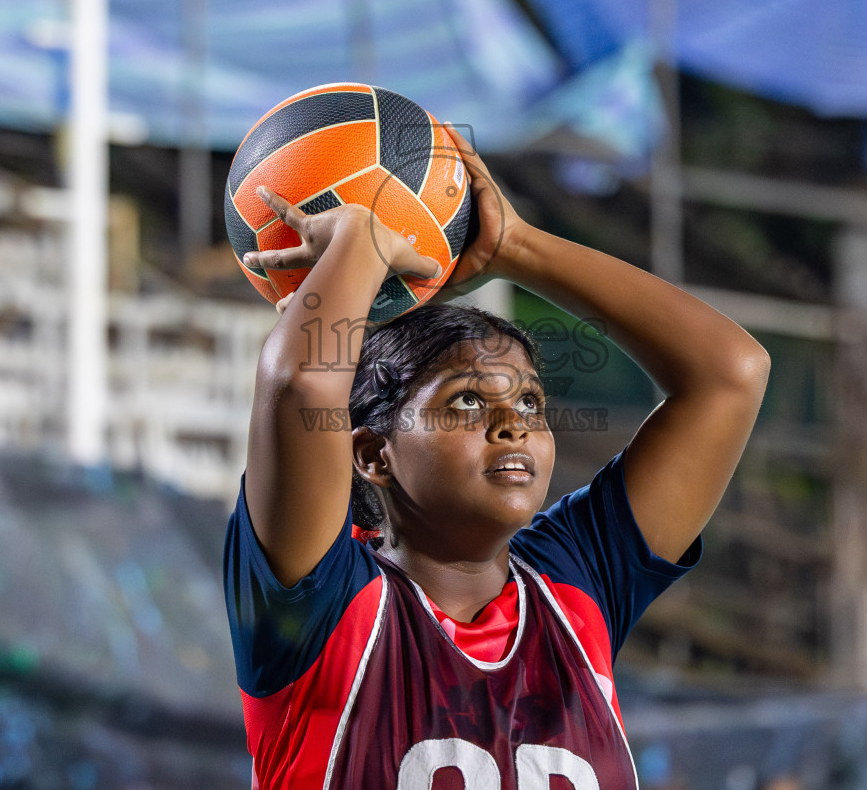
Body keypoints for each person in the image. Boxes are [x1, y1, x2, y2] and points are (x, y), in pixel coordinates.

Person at [225, 128, 770, 789]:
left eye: (532, 405)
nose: (514, 424)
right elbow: (301, 384)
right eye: (464, 404)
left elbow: (732, 373)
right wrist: (360, 243)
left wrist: (517, 245)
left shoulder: (575, 585)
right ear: (372, 454)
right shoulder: (322, 603)